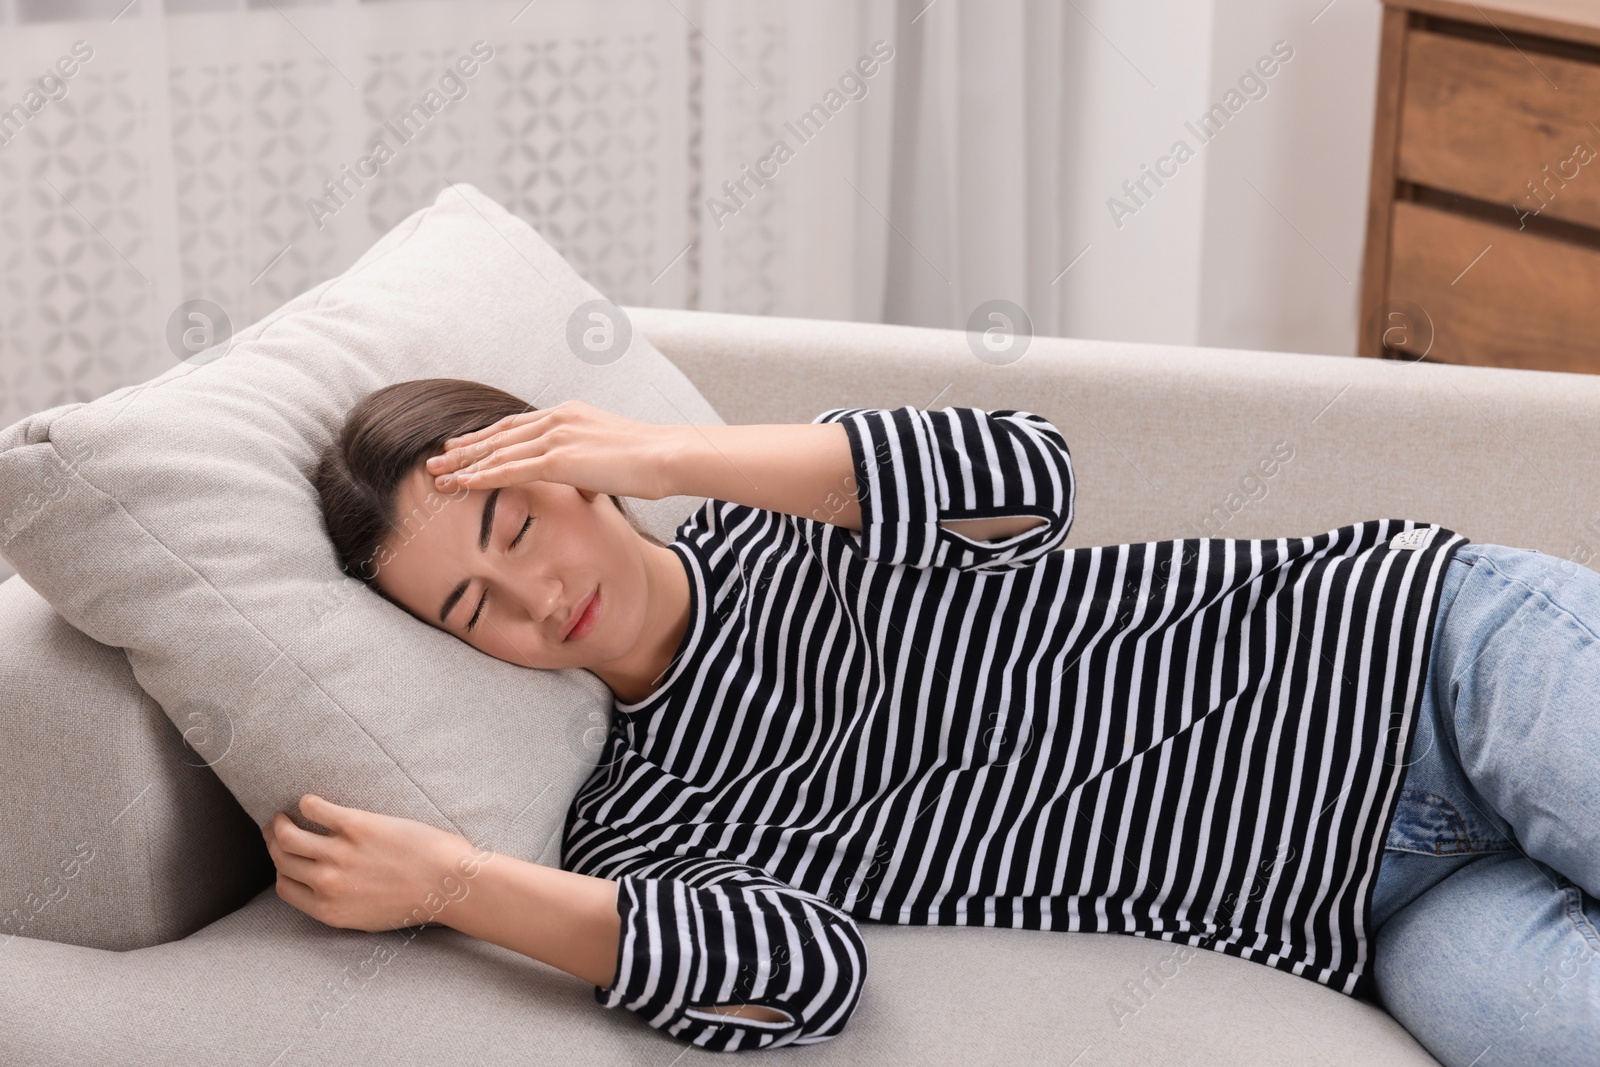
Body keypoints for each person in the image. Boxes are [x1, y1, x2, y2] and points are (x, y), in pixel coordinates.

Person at [262, 377, 1599, 1062]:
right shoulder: (634, 821)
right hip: (1371, 909)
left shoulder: (785, 524)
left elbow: (1027, 474)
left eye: (515, 527)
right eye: (468, 608)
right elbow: (796, 982)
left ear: (571, 472)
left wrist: (660, 454)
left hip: (1426, 657)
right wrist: (457, 883)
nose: (530, 599)